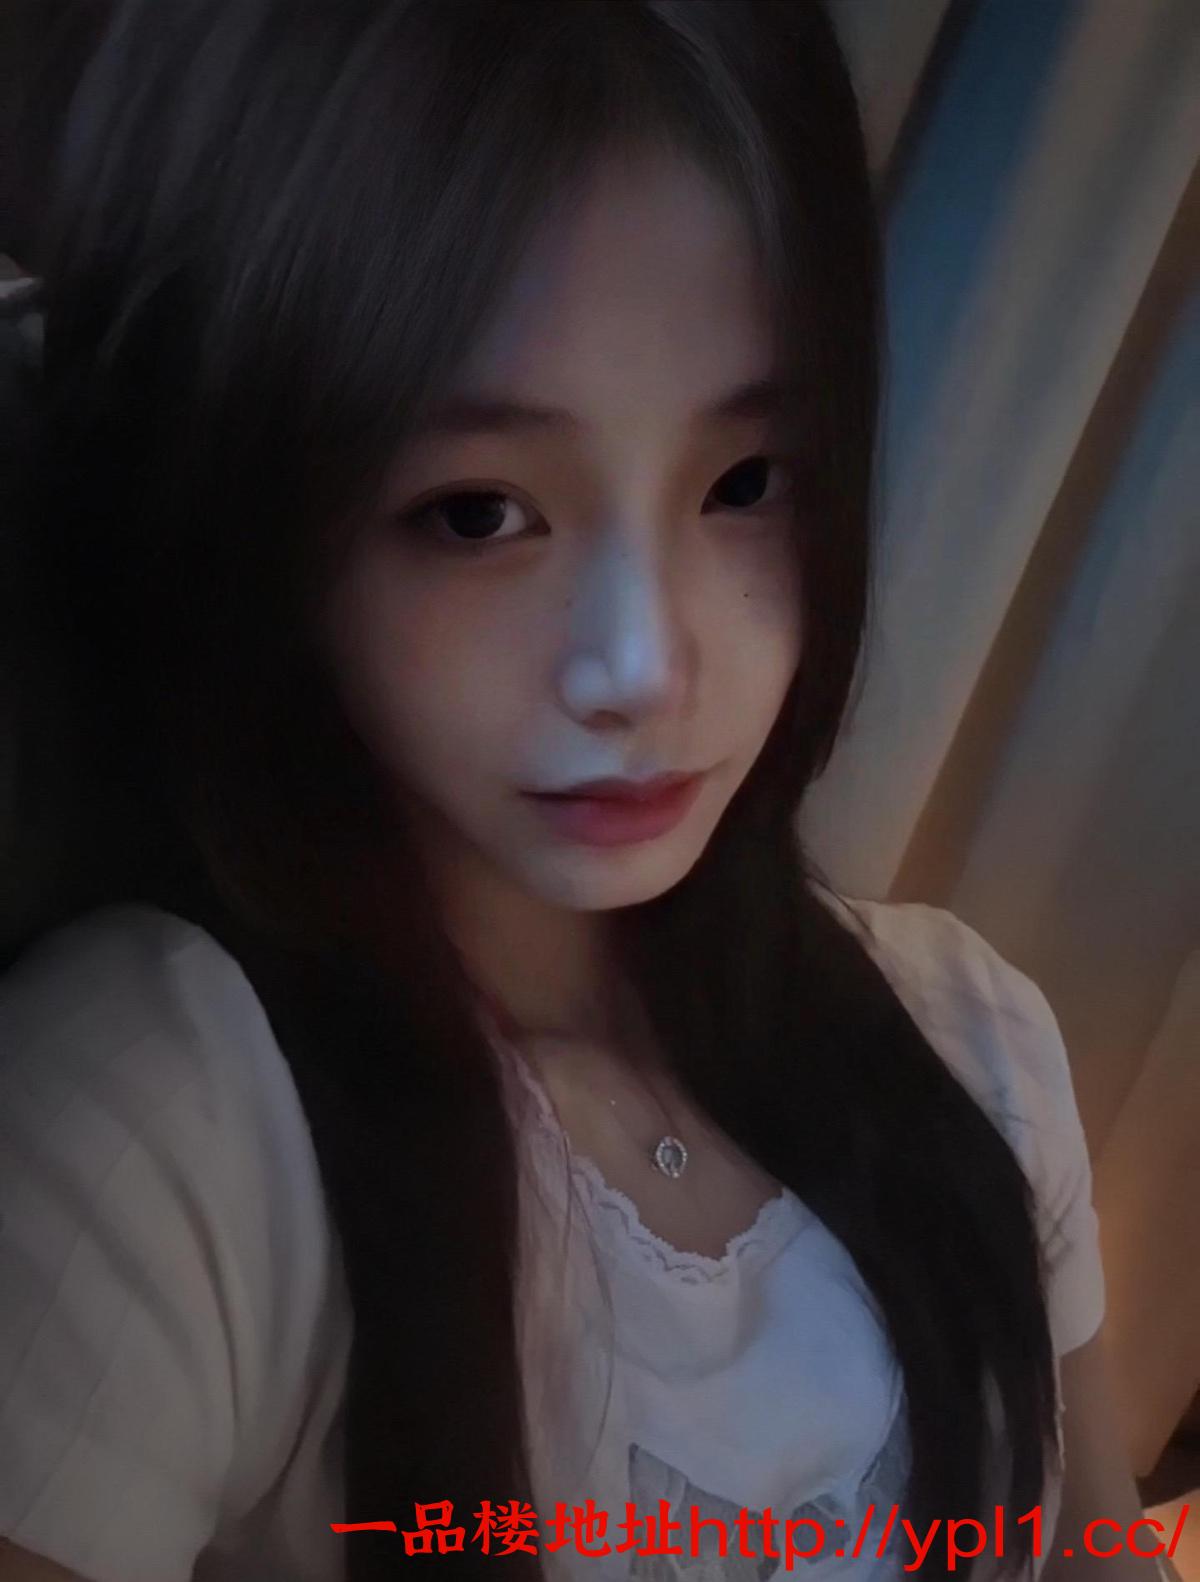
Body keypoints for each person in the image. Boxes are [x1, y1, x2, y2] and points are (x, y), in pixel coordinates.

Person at [0, 3, 1162, 1580]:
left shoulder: (975, 1046)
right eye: (479, 512)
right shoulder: (155, 1136)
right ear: (258, 510)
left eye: (743, 483)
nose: (645, 664)